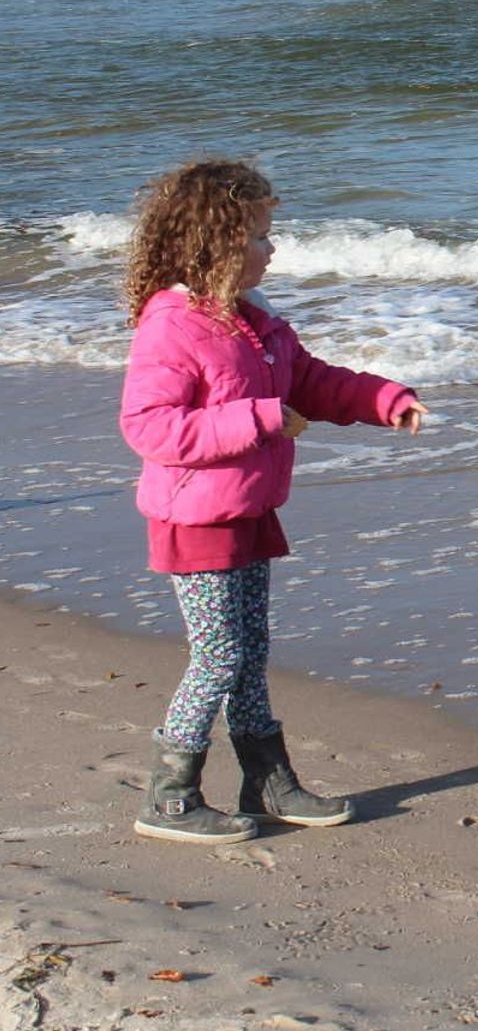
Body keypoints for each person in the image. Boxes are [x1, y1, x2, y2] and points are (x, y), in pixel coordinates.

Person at [119, 160, 427, 844]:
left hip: (248, 510)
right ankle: (168, 795)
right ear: (216, 245)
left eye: (270, 231)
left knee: (250, 650)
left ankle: (266, 782)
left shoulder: (254, 323)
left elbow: (312, 381)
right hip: (194, 518)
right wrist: (256, 418)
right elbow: (149, 428)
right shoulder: (172, 326)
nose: (272, 247)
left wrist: (385, 399)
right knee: (218, 656)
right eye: (259, 235)